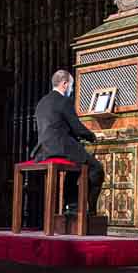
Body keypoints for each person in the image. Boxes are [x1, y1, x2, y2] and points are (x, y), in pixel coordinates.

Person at [33, 69, 104, 215]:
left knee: (76, 167)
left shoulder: (41, 102)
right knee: (96, 168)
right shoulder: (64, 101)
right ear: (65, 84)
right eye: (71, 86)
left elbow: (54, 125)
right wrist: (93, 136)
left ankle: (72, 205)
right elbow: (77, 128)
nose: (72, 90)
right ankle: (90, 213)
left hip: (43, 150)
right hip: (61, 148)